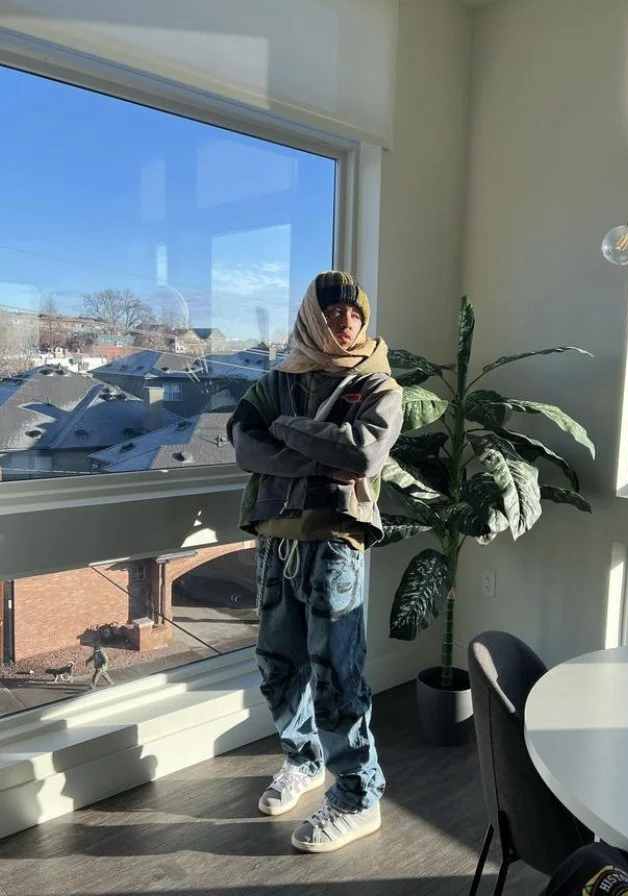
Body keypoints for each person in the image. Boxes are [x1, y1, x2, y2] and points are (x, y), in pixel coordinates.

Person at [227, 271, 403, 854]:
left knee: (336, 673)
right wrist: (320, 455)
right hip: (275, 542)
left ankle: (358, 796)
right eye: (331, 312)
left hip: (334, 543)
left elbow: (363, 454)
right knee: (278, 665)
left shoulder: (377, 384)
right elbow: (244, 444)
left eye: (354, 312)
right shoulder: (277, 380)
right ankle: (303, 761)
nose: (345, 321)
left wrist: (285, 429)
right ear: (311, 316)